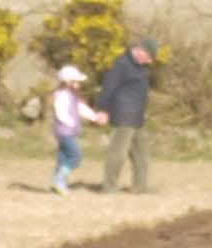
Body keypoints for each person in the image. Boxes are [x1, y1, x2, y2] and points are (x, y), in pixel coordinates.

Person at [96, 37, 158, 194]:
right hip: (123, 115)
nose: (150, 61)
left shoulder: (140, 67)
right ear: (141, 51)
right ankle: (109, 186)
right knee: (118, 153)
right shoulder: (122, 65)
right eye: (149, 57)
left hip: (137, 116)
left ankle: (140, 186)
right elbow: (108, 87)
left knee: (141, 154)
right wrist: (102, 109)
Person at [50, 64, 104, 196]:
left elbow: (81, 108)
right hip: (65, 132)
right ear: (68, 82)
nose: (78, 85)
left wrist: (94, 117)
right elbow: (60, 112)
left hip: (68, 131)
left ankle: (57, 184)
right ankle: (59, 180)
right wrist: (71, 122)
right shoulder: (63, 95)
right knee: (75, 157)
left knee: (63, 157)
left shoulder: (73, 96)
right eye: (76, 82)